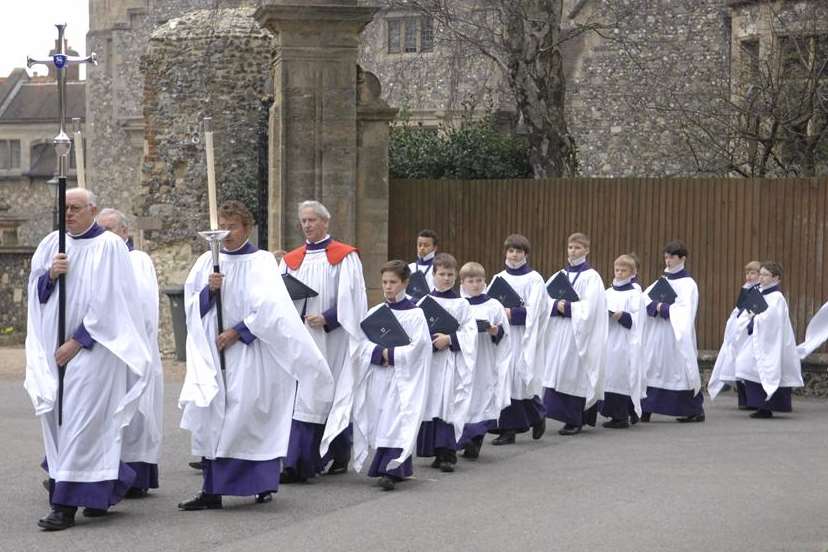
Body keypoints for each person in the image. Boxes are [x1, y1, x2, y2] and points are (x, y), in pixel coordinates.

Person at [178, 201, 333, 510]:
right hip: (215, 354)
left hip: (250, 352)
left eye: (233, 227)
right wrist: (209, 292)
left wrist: (238, 331)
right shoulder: (206, 262)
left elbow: (272, 308)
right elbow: (191, 304)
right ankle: (211, 491)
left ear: (246, 228)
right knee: (213, 419)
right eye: (222, 227)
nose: (227, 234)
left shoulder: (261, 261)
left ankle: (260, 484)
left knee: (244, 417)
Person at [25, 188, 151, 530]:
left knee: (82, 423)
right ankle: (101, 490)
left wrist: (78, 341)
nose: (68, 213)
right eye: (64, 207)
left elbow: (116, 303)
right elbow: (35, 292)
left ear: (92, 210)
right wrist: (50, 275)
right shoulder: (53, 243)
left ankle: (62, 507)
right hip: (55, 351)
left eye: (76, 207)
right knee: (60, 420)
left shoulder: (109, 246)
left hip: (95, 350)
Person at [280, 201, 367, 481]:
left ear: (325, 222)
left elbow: (353, 299)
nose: (307, 225)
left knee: (331, 392)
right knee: (304, 396)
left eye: (312, 220)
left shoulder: (344, 256)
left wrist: (328, 318)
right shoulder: (292, 260)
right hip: (302, 337)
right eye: (303, 220)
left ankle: (336, 453)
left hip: (333, 337)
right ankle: (300, 462)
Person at [329, 260, 431, 491]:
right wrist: (377, 353)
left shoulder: (416, 314)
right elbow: (361, 343)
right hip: (379, 375)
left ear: (405, 283)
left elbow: (420, 347)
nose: (388, 287)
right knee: (382, 419)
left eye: (393, 282)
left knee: (396, 420)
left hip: (401, 378)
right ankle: (387, 465)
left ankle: (392, 469)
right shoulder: (376, 312)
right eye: (384, 282)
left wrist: (390, 353)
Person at [97, 208, 164, 498]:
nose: (105, 235)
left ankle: (133, 477)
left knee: (134, 413)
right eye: (100, 229)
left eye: (110, 228)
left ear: (125, 232)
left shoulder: (136, 260)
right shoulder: (96, 258)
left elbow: (142, 307)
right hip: (101, 352)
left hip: (130, 350)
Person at [541, 233, 608, 435]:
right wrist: (555, 305)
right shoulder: (559, 275)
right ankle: (558, 414)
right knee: (557, 371)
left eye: (578, 248)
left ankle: (575, 418)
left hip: (577, 334)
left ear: (586, 250)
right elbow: (543, 300)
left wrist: (568, 307)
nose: (573, 251)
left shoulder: (592, 277)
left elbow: (591, 307)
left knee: (572, 373)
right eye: (570, 247)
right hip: (559, 332)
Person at [415, 253, 476, 473]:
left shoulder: (462, 304)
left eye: (451, 274)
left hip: (450, 362)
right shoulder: (422, 303)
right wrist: (429, 342)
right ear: (433, 275)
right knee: (430, 403)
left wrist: (449, 339)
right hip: (430, 363)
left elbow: (470, 334)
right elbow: (414, 333)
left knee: (447, 404)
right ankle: (434, 451)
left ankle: (448, 453)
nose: (447, 278)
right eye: (442, 274)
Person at [488, 234, 548, 445]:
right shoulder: (498, 278)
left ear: (526, 254)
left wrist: (511, 313)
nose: (514, 255)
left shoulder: (534, 279)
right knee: (503, 378)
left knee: (518, 379)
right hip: (501, 335)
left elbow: (537, 310)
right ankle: (507, 428)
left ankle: (537, 414)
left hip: (522, 336)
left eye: (519, 251)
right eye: (511, 251)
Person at [640, 240, 704, 423]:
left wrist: (662, 308)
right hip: (657, 335)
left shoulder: (688, 284)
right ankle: (646, 408)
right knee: (651, 366)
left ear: (682, 258)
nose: (668, 261)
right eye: (666, 257)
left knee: (679, 369)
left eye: (672, 258)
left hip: (675, 336)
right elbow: (643, 299)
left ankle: (693, 410)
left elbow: (686, 311)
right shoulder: (662, 281)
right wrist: (654, 306)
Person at [733, 262, 803, 418]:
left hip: (771, 342)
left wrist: (755, 321)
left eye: (765, 275)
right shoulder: (759, 293)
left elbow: (772, 319)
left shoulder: (777, 297)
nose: (761, 278)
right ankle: (759, 404)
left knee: (768, 368)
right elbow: (748, 311)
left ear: (776, 278)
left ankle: (767, 407)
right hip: (758, 339)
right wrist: (745, 319)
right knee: (745, 364)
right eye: (761, 274)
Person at [458, 262, 511, 459]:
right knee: (464, 398)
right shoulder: (458, 304)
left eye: (479, 280)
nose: (475, 285)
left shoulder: (494, 305)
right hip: (463, 359)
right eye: (470, 281)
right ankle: (463, 438)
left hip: (484, 358)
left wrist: (495, 331)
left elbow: (505, 333)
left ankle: (476, 439)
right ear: (462, 282)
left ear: (485, 282)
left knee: (482, 397)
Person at [600, 255, 645, 429]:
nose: (619, 273)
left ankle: (622, 415)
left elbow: (638, 318)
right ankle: (614, 413)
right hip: (609, 338)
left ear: (632, 272)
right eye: (617, 270)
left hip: (624, 341)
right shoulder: (607, 292)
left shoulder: (635, 294)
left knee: (621, 376)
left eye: (623, 270)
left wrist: (622, 316)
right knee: (609, 375)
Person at [708, 261, 761, 408]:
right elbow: (740, 307)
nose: (749, 276)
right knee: (737, 362)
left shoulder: (759, 290)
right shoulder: (747, 288)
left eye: (753, 273)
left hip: (749, 331)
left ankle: (751, 400)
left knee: (747, 365)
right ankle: (743, 400)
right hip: (740, 329)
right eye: (747, 273)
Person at [407, 229, 440, 294]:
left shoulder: (439, 268)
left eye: (426, 245)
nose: (422, 248)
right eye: (419, 245)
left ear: (435, 248)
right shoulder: (409, 267)